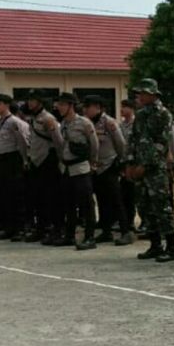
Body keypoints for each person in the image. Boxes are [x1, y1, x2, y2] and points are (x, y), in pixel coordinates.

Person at [127, 79, 174, 262]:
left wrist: (145, 166)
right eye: (139, 93)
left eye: (144, 93)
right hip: (140, 168)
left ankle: (171, 247)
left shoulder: (163, 114)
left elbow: (161, 143)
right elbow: (133, 139)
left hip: (155, 169)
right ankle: (155, 245)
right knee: (145, 207)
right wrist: (130, 162)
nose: (140, 96)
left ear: (153, 94)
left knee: (162, 208)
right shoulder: (141, 114)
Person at [53, 93, 100, 250]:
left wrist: (93, 162)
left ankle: (89, 237)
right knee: (68, 204)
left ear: (70, 106)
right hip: (66, 168)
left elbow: (94, 145)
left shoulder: (84, 123)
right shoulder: (63, 124)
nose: (59, 107)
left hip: (81, 168)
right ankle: (69, 235)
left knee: (86, 205)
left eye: (62, 104)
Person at [84, 95, 128, 245]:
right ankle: (106, 231)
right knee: (102, 200)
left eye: (88, 106)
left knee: (116, 200)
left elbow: (121, 144)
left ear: (98, 107)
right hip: (96, 167)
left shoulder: (109, 122)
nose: (86, 110)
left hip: (109, 165)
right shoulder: (87, 122)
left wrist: (122, 163)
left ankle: (125, 231)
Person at [25, 92, 62, 244]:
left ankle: (52, 228)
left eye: (33, 100)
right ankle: (40, 228)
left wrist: (61, 161)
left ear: (40, 102)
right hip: (36, 162)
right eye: (29, 100)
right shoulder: (33, 119)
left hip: (48, 161)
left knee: (50, 198)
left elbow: (58, 141)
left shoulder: (48, 119)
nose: (29, 103)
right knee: (37, 197)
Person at [0, 94, 30, 240]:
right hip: (2, 159)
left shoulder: (14, 122)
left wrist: (24, 161)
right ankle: (9, 227)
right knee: (5, 194)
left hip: (13, 159)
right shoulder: (0, 122)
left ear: (7, 105)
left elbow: (22, 142)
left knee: (16, 195)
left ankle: (19, 228)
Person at [118, 98, 139, 237]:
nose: (122, 110)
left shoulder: (137, 124)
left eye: (125, 107)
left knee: (133, 195)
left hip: (135, 163)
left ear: (131, 109)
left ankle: (133, 222)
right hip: (124, 162)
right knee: (124, 194)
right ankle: (126, 221)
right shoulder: (121, 125)